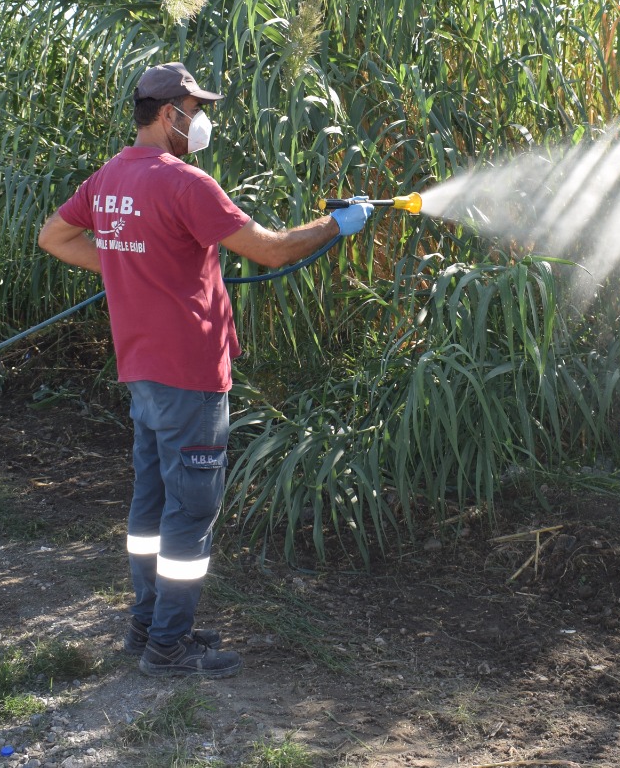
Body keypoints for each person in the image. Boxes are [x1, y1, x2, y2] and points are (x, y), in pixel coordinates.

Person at [37, 61, 373, 678]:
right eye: (196, 109)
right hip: (189, 375)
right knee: (190, 514)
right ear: (170, 115)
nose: (201, 121)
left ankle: (146, 626)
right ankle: (169, 646)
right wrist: (336, 224)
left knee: (151, 505)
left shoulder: (109, 178)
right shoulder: (185, 183)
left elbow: (53, 237)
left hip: (140, 371)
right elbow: (268, 250)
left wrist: (128, 267)